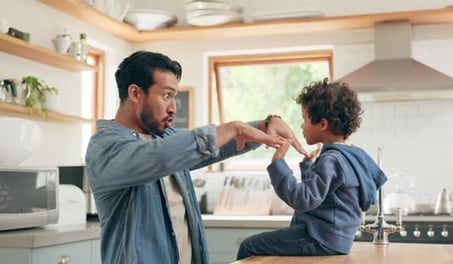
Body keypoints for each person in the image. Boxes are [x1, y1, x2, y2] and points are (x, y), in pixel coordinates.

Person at [85, 50, 307, 264]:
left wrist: (265, 125)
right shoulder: (105, 147)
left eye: (174, 96)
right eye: (166, 96)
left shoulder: (165, 137)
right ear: (135, 93)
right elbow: (159, 157)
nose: (173, 107)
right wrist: (234, 128)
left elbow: (216, 146)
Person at [237, 78, 388, 259]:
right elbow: (325, 195)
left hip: (319, 238)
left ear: (323, 124)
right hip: (335, 239)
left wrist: (278, 162)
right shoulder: (354, 156)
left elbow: (303, 199)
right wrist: (308, 166)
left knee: (249, 246)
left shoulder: (331, 159)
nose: (301, 125)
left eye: (305, 119)